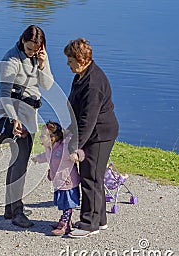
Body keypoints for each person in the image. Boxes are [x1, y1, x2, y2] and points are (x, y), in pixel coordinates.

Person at [0, 25, 54, 228]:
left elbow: (47, 85)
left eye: (35, 50)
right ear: (22, 40)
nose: (31, 53)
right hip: (17, 118)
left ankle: (9, 208)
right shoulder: (10, 60)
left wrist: (43, 64)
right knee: (19, 165)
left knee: (16, 162)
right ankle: (17, 211)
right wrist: (14, 119)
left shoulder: (37, 58)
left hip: (31, 116)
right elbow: (4, 94)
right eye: (29, 49)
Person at [63, 38, 119, 238]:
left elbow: (88, 119)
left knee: (90, 177)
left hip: (99, 135)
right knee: (92, 175)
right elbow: (77, 110)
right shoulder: (82, 75)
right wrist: (68, 130)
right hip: (91, 133)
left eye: (70, 61)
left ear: (81, 59)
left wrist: (75, 147)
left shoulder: (93, 83)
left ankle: (89, 224)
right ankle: (100, 219)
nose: (68, 64)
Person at [31, 121, 80, 236]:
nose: (40, 137)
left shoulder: (65, 147)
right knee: (63, 203)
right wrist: (37, 158)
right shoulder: (50, 149)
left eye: (43, 136)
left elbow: (79, 152)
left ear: (52, 138)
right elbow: (46, 157)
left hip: (68, 181)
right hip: (58, 182)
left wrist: (76, 156)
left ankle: (65, 225)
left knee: (68, 204)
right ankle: (67, 221)